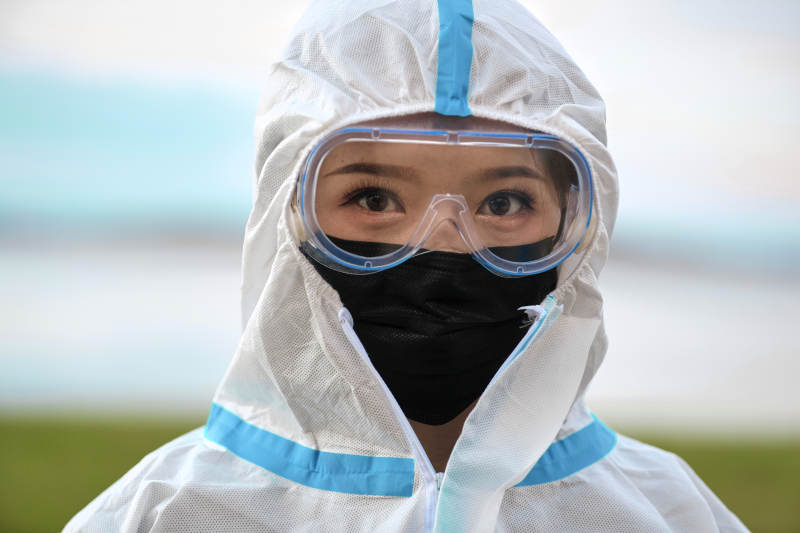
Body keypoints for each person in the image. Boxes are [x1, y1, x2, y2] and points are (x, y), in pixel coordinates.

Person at [65, 0, 749, 531]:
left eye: (504, 202)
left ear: (578, 226)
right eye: (373, 198)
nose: (445, 245)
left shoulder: (668, 513)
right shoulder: (165, 512)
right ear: (286, 213)